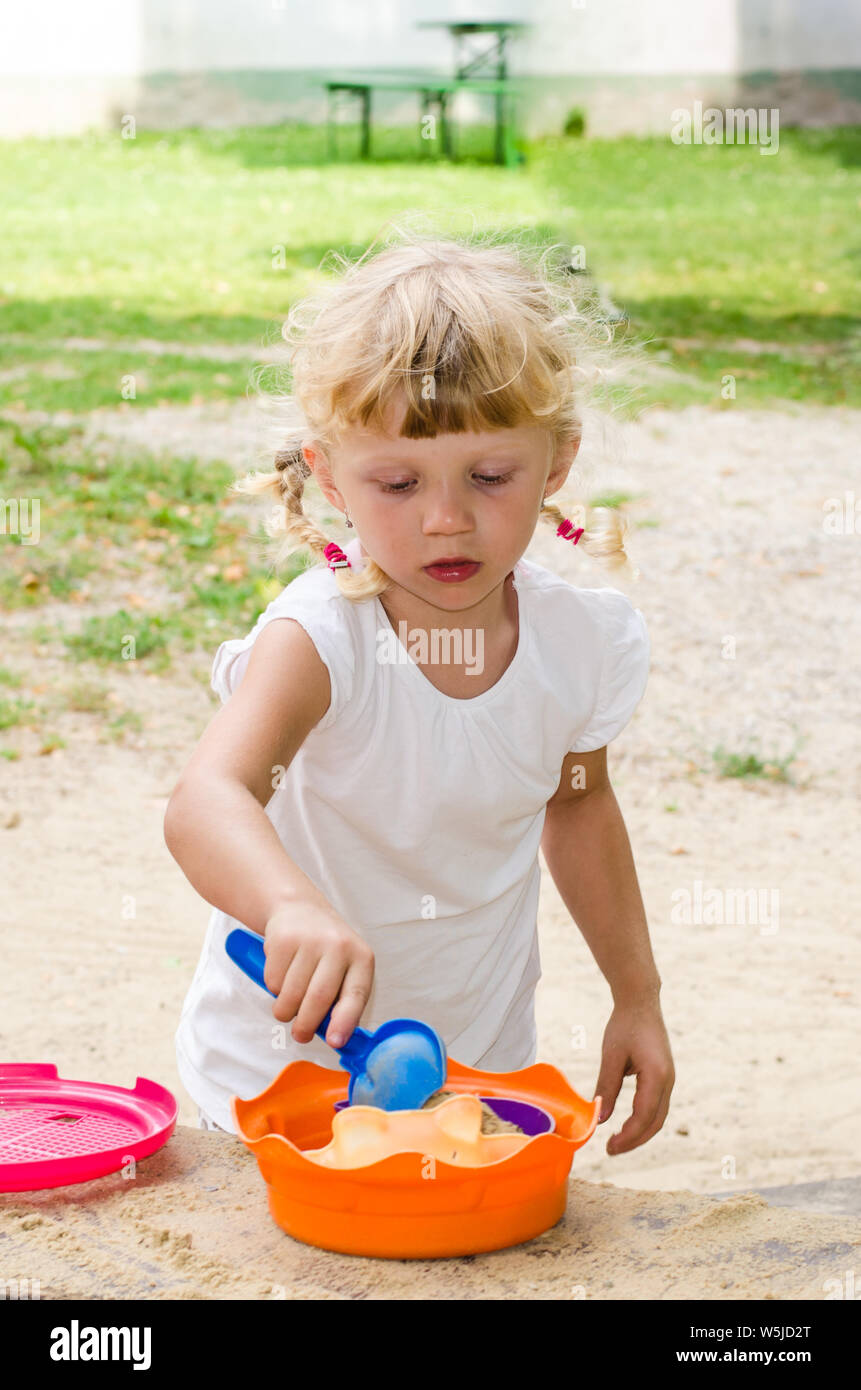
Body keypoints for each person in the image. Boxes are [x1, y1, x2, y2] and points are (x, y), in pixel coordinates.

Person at [164, 223, 675, 1152]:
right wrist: (289, 906)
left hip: (470, 1068)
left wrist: (635, 994)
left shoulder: (579, 640)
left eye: (490, 475)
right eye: (397, 482)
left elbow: (578, 802)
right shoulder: (322, 639)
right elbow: (206, 797)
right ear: (329, 478)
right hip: (280, 1085)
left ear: (556, 461)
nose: (447, 520)